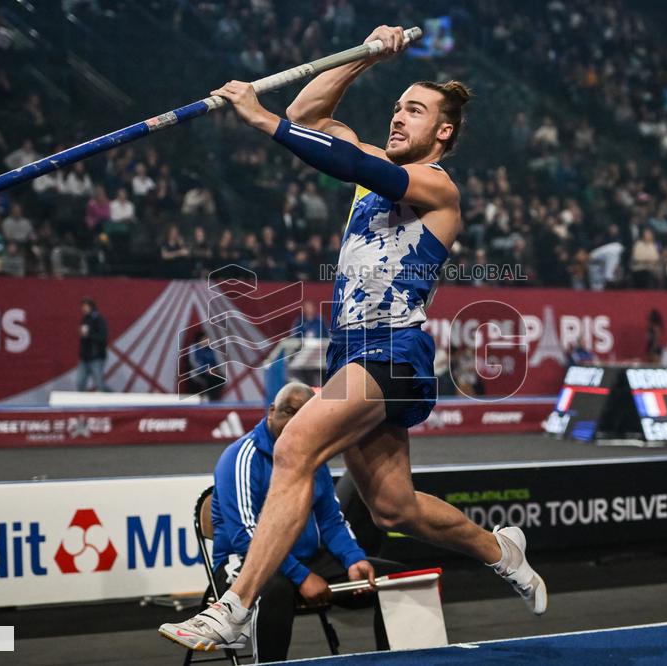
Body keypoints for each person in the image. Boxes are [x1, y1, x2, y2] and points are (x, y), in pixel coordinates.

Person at [159, 25, 546, 653]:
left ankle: (234, 607)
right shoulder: (371, 168)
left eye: (414, 110)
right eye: (396, 107)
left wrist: (258, 122)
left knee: (295, 450)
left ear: (442, 133)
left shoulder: (437, 186)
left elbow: (327, 148)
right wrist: (365, 58)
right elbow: (307, 114)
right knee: (395, 510)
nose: (399, 117)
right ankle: (498, 548)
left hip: (396, 350)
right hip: (351, 352)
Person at [202, 382, 395, 662]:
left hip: (305, 560)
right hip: (244, 564)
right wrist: (302, 576)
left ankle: (398, 660)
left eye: (303, 415)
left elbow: (331, 521)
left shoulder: (312, 457)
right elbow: (245, 536)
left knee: (393, 581)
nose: (293, 422)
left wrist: (354, 559)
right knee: (277, 590)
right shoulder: (240, 457)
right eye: (287, 412)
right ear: (271, 412)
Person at [77, 298, 111, 392]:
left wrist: (89, 335)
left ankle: (114, 399)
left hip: (96, 357)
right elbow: (84, 338)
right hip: (84, 357)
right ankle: (81, 405)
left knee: (100, 384)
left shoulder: (99, 319)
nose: (83, 308)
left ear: (91, 307)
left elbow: (102, 337)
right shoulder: (84, 319)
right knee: (80, 383)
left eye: (85, 306)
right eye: (82, 306)